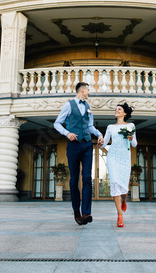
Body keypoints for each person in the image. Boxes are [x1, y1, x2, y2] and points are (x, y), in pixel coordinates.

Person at [54, 82, 104, 225]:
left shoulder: (88, 107)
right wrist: (67, 133)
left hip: (87, 144)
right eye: (88, 90)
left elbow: (90, 126)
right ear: (82, 90)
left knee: (87, 177)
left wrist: (99, 134)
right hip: (74, 145)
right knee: (74, 179)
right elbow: (57, 123)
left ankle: (87, 212)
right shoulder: (68, 105)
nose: (89, 92)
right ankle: (77, 211)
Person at [100, 103, 137, 227]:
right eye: (115, 109)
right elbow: (105, 143)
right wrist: (100, 142)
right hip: (113, 157)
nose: (116, 111)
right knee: (115, 183)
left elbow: (135, 144)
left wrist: (131, 138)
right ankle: (119, 215)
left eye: (119, 109)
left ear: (125, 113)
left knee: (124, 187)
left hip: (124, 158)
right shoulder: (110, 127)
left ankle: (124, 200)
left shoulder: (130, 126)